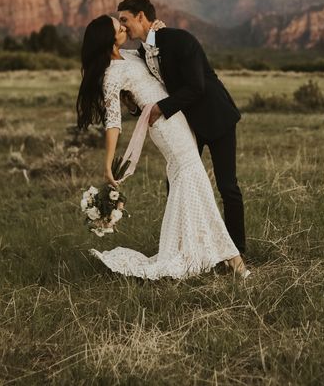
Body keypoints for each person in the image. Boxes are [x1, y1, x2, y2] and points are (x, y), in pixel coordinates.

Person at [76, 14, 249, 280]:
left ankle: (192, 248)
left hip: (177, 117)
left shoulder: (130, 56)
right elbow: (113, 122)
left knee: (187, 182)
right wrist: (107, 163)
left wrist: (156, 30)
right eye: (118, 26)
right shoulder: (111, 75)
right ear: (107, 38)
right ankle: (232, 258)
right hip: (165, 127)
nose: (123, 27)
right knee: (194, 177)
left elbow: (151, 52)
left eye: (122, 22)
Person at [117, 0, 246, 256]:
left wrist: (161, 109)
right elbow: (153, 90)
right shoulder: (142, 52)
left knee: (227, 187)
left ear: (141, 16)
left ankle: (237, 250)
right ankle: (184, 247)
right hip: (186, 125)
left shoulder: (179, 40)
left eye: (125, 19)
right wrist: (134, 106)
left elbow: (196, 87)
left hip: (216, 117)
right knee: (177, 181)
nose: (122, 26)